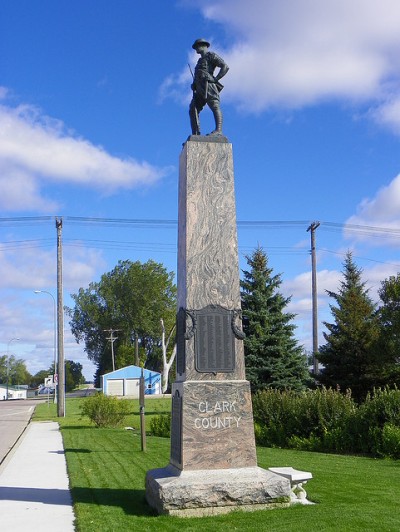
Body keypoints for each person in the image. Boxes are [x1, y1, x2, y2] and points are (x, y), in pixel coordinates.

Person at [189, 38, 229, 136]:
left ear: (203, 45)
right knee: (193, 109)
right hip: (199, 88)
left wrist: (215, 79)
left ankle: (218, 130)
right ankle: (196, 133)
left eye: (197, 46)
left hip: (208, 85)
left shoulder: (211, 55)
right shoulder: (199, 61)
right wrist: (194, 84)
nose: (196, 49)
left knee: (214, 106)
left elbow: (225, 66)